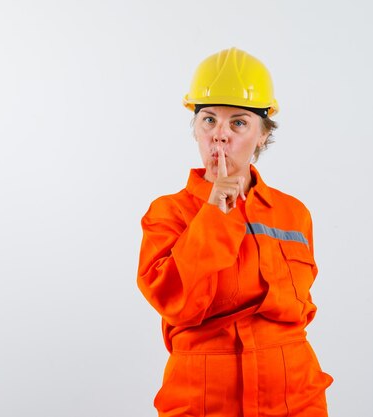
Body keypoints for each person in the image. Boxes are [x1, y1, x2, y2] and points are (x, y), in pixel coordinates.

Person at [137, 47, 333, 417]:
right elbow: (173, 300)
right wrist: (214, 212)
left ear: (263, 135)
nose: (220, 135)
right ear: (195, 129)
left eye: (238, 123)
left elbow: (299, 313)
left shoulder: (293, 214)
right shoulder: (168, 213)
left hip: (294, 396)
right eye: (209, 120)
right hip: (203, 401)